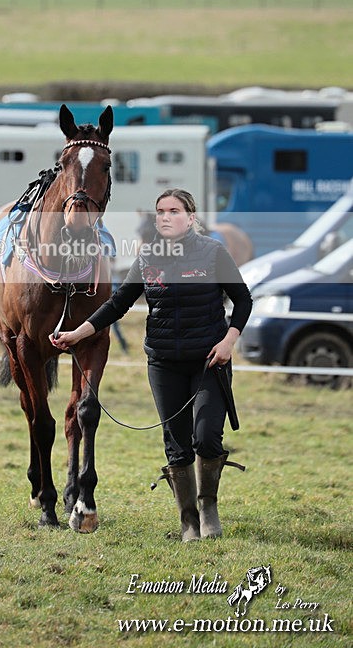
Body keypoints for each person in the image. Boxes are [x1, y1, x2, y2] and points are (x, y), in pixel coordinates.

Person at [50, 189, 252, 542]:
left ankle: (207, 508)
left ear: (191, 217)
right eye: (161, 211)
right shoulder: (148, 257)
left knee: (205, 437)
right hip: (163, 363)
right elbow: (117, 305)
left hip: (209, 362)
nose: (166, 217)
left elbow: (243, 300)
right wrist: (77, 335)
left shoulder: (213, 252)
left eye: (175, 211)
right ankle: (188, 520)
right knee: (176, 443)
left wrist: (229, 341)